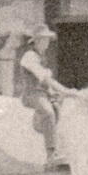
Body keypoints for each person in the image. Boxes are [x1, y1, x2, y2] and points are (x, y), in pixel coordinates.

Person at [15, 24, 74, 157]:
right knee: (48, 113)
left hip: (43, 94)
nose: (47, 43)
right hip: (31, 94)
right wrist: (66, 90)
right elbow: (45, 79)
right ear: (36, 41)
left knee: (62, 107)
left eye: (47, 39)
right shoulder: (29, 56)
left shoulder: (43, 58)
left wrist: (56, 93)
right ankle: (51, 152)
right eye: (43, 39)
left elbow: (46, 85)